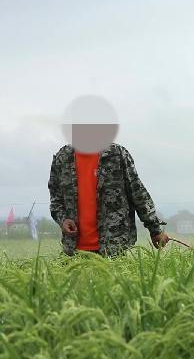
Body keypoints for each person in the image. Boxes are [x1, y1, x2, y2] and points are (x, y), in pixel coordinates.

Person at [48, 97, 168, 257]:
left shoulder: (117, 155)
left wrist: (155, 231)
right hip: (74, 250)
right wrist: (63, 220)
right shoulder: (62, 159)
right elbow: (56, 201)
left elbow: (138, 195)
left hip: (114, 249)